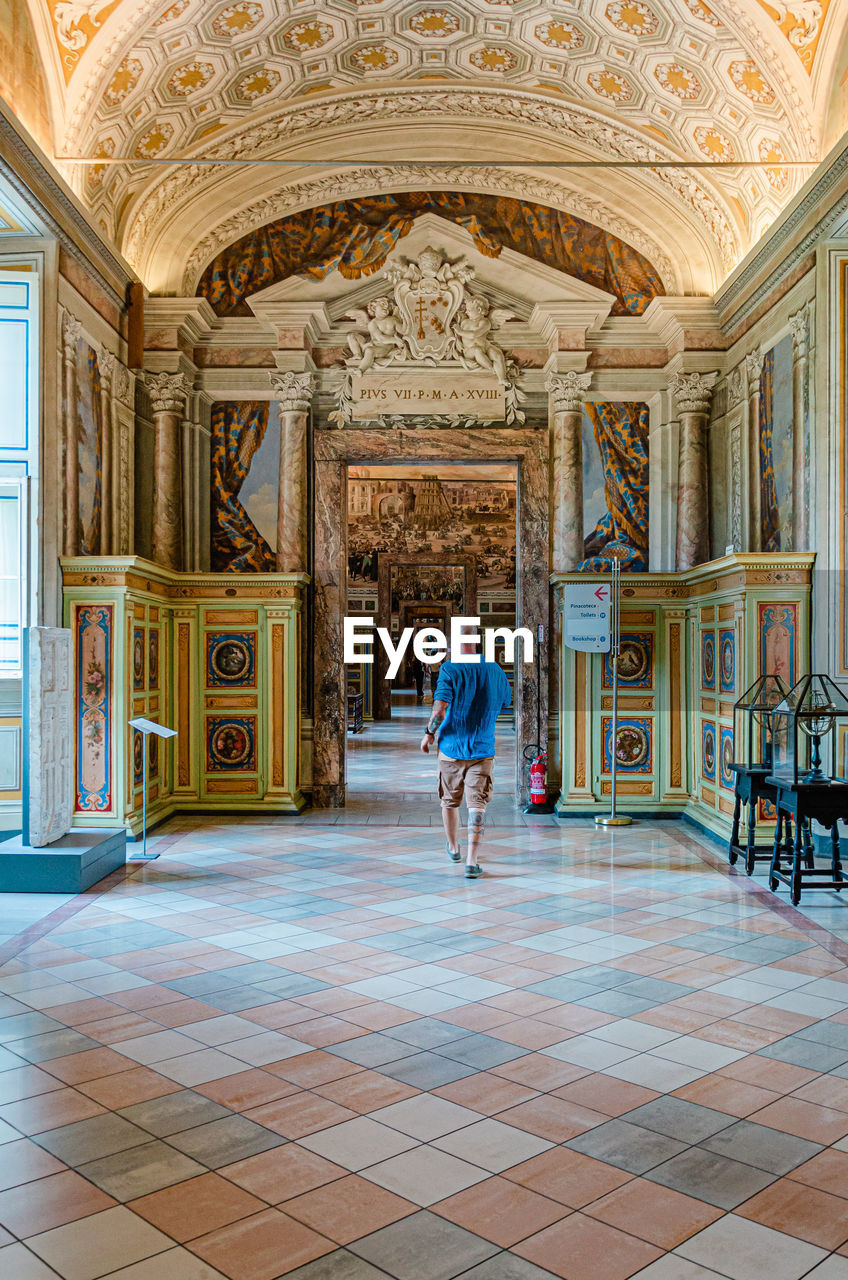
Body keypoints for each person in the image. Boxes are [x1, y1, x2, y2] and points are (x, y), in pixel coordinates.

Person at [420, 649, 511, 879]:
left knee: (449, 801)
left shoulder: (450, 668)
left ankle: (453, 847)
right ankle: (472, 860)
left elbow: (440, 709)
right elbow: (505, 702)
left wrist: (429, 733)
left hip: (451, 747)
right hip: (482, 746)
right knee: (477, 804)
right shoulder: (495, 669)